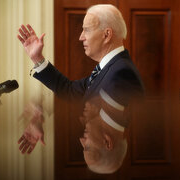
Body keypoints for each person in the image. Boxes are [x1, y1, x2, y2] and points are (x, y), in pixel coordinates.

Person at [17, 4, 144, 173]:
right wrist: (37, 58)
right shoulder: (112, 69)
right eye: (88, 148)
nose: (81, 37)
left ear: (107, 35)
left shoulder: (120, 73)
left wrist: (44, 118)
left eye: (86, 30)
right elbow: (70, 91)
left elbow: (97, 119)